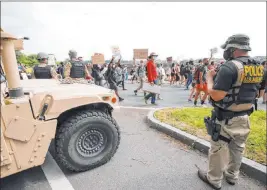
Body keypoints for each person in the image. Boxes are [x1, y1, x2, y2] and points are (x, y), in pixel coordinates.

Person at [197, 34, 265, 190]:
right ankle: (232, 176)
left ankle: (214, 179)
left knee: (219, 148)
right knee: (238, 148)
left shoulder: (229, 67)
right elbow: (259, 95)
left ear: (233, 49)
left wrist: (209, 78)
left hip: (226, 118)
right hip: (245, 116)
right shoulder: (259, 67)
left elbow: (215, 95)